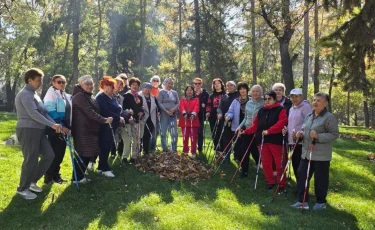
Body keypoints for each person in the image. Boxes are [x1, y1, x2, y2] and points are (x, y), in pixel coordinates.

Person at [15, 68, 63, 200]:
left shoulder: (35, 94)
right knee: (31, 159)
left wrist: (56, 125)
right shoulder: (25, 94)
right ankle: (22, 188)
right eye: (38, 80)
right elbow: (33, 113)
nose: (40, 83)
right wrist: (52, 125)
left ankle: (32, 181)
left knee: (49, 155)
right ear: (29, 80)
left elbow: (44, 113)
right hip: (28, 130)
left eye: (41, 80)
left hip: (39, 131)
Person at [291, 92, 339, 211]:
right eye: (314, 100)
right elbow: (304, 130)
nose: (315, 102)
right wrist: (299, 134)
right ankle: (303, 201)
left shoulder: (329, 117)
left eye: (318, 100)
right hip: (306, 153)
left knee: (320, 179)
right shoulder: (309, 116)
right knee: (302, 175)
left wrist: (318, 136)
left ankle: (321, 202)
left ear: (325, 103)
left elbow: (334, 134)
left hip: (321, 155)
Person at [240, 90, 288, 192]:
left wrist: (269, 131)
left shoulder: (281, 109)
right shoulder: (261, 110)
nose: (267, 101)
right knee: (266, 163)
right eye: (265, 99)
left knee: (279, 163)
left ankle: (282, 183)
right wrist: (245, 132)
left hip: (276, 140)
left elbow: (281, 123)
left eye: (269, 99)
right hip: (262, 140)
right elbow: (255, 125)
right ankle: (270, 181)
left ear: (274, 99)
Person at [71, 75, 113, 183]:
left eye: (91, 84)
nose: (90, 86)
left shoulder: (88, 95)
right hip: (82, 130)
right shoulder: (79, 96)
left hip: (90, 130)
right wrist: (104, 120)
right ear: (81, 85)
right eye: (87, 84)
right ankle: (77, 178)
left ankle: (80, 175)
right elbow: (89, 112)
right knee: (83, 154)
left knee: (87, 154)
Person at [43, 74, 72, 184]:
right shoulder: (51, 94)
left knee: (60, 154)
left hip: (63, 127)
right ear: (53, 82)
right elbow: (50, 111)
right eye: (59, 82)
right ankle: (48, 177)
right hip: (55, 128)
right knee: (55, 153)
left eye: (63, 82)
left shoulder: (62, 94)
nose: (61, 84)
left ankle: (56, 175)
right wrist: (60, 125)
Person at [96, 76, 124, 177]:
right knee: (104, 146)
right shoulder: (101, 97)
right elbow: (105, 111)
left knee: (107, 146)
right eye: (112, 86)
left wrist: (118, 117)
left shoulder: (111, 96)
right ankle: (104, 169)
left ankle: (100, 167)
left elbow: (118, 107)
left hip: (113, 125)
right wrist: (118, 117)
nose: (114, 88)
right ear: (106, 87)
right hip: (105, 125)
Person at [235, 85, 265, 177]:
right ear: (250, 92)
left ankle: (263, 166)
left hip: (259, 130)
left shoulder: (264, 102)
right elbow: (246, 117)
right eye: (253, 91)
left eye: (257, 91)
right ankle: (244, 171)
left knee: (256, 151)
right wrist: (239, 127)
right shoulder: (249, 103)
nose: (255, 93)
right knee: (244, 150)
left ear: (261, 93)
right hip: (248, 129)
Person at [282, 89, 312, 181]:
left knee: (300, 165)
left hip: (301, 141)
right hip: (292, 141)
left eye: (297, 96)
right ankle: (300, 186)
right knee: (295, 163)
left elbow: (309, 122)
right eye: (292, 97)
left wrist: (301, 132)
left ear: (301, 97)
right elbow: (291, 122)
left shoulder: (305, 107)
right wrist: (286, 129)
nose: (294, 99)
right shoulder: (291, 108)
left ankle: (302, 187)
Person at [225, 82, 251, 161]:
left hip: (248, 124)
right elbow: (230, 111)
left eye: (244, 89)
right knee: (237, 141)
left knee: (246, 142)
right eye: (240, 89)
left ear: (247, 90)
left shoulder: (252, 100)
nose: (242, 91)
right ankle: (237, 156)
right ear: (239, 91)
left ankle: (245, 158)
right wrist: (228, 116)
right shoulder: (235, 101)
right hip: (237, 122)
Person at [122, 77, 144, 164]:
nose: (135, 86)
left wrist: (142, 112)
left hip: (136, 121)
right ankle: (124, 158)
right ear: (130, 85)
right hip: (128, 121)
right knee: (128, 140)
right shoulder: (126, 96)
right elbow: (123, 108)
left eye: (137, 85)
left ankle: (134, 157)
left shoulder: (139, 97)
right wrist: (128, 115)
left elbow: (140, 108)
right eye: (133, 85)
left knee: (136, 139)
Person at [217, 81, 239, 161]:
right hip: (225, 120)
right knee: (226, 138)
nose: (229, 87)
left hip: (236, 120)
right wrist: (219, 113)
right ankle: (227, 156)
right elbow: (219, 107)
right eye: (227, 85)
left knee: (236, 138)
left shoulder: (238, 95)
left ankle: (237, 156)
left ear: (234, 86)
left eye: (231, 85)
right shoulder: (224, 96)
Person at [158, 77, 179, 152]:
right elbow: (159, 102)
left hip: (173, 115)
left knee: (174, 132)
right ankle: (165, 148)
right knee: (163, 132)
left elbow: (178, 103)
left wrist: (174, 109)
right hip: (164, 114)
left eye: (171, 83)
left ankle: (174, 148)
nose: (170, 85)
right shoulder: (161, 92)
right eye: (168, 83)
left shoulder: (175, 93)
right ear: (165, 83)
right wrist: (166, 111)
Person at [179, 86, 200, 158]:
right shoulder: (182, 99)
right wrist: (184, 113)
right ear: (185, 91)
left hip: (193, 121)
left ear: (193, 91)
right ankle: (185, 151)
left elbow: (196, 107)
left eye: (191, 90)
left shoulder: (196, 99)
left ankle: (193, 151)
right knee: (185, 137)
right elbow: (181, 107)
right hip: (184, 121)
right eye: (187, 90)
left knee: (193, 137)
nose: (189, 91)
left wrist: (193, 114)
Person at [206, 78, 225, 153]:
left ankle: (223, 150)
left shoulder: (225, 94)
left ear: (221, 85)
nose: (217, 85)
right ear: (213, 85)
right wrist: (207, 112)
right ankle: (217, 149)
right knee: (215, 134)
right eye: (215, 84)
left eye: (218, 83)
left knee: (222, 134)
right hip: (213, 117)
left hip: (223, 117)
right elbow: (208, 105)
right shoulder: (211, 95)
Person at [139, 82, 159, 155]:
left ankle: (146, 151)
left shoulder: (153, 97)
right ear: (142, 88)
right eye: (146, 87)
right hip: (141, 119)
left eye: (149, 88)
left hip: (150, 119)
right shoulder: (138, 96)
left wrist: (158, 112)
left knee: (147, 135)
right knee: (140, 135)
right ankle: (138, 151)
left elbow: (157, 107)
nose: (147, 89)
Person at [193, 77, 209, 154]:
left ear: (201, 84)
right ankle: (193, 147)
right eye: (196, 83)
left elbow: (208, 104)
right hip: (192, 115)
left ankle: (200, 148)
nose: (197, 85)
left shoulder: (205, 93)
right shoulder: (191, 92)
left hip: (201, 115)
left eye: (199, 83)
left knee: (200, 132)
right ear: (194, 84)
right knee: (193, 132)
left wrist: (204, 106)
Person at [110, 77, 125, 159]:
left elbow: (121, 109)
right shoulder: (109, 95)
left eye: (120, 85)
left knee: (118, 137)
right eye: (117, 84)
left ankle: (115, 153)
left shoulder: (121, 97)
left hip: (118, 121)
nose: (119, 86)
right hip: (110, 120)